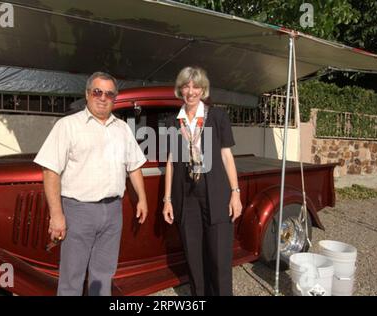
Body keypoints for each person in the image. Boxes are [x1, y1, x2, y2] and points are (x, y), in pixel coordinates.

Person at [34, 71, 148, 296]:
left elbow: (134, 166)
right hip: (79, 211)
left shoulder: (122, 129)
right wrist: (57, 216)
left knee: (103, 275)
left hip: (113, 211)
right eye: (97, 91)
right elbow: (50, 171)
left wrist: (142, 199)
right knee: (72, 278)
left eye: (109, 93)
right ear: (87, 94)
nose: (103, 97)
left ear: (115, 98)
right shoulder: (67, 126)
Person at [162, 66, 242, 296]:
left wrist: (235, 193)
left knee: (219, 259)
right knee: (194, 259)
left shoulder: (217, 117)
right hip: (186, 195)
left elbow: (227, 156)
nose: (191, 91)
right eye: (186, 86)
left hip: (216, 190)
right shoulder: (172, 122)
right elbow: (171, 162)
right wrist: (167, 200)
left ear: (203, 89)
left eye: (196, 86)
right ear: (180, 90)